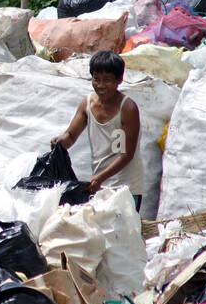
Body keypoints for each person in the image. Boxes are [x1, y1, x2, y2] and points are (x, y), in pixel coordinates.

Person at [51, 49, 144, 211]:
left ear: (119, 80)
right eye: (96, 79)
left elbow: (126, 154)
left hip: (126, 187)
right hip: (100, 184)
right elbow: (70, 136)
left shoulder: (127, 108)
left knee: (122, 233)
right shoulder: (87, 104)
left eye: (107, 80)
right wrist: (60, 142)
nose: (100, 85)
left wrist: (100, 178)